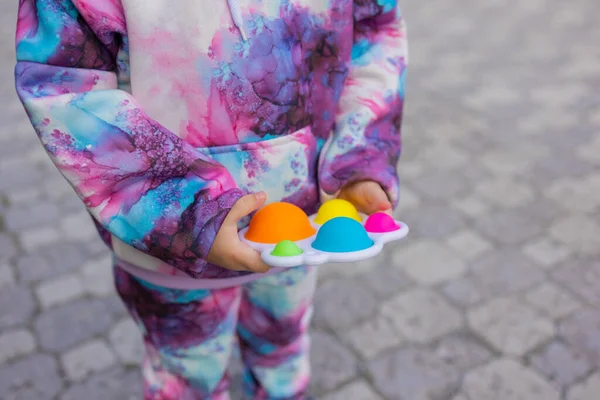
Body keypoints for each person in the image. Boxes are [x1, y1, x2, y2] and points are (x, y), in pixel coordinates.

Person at [14, 0, 407, 398]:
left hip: (301, 225)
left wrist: (361, 155)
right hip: (170, 248)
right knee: (188, 378)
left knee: (282, 351)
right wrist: (186, 208)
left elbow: (374, 31)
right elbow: (63, 84)